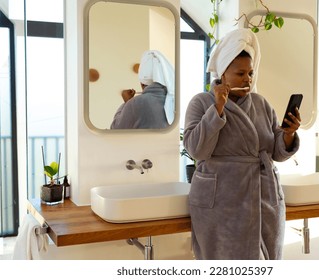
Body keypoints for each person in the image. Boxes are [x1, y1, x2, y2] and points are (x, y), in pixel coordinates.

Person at [183, 28, 301, 260]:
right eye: (240, 74)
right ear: (223, 73)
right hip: (223, 200)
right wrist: (217, 107)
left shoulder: (261, 103)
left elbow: (276, 151)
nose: (247, 79)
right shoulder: (200, 102)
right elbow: (197, 150)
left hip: (263, 196)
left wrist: (288, 134)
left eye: (250, 73)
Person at [110, 50, 175, 129]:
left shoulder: (137, 103)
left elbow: (115, 130)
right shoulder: (173, 100)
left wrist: (127, 103)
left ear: (142, 82)